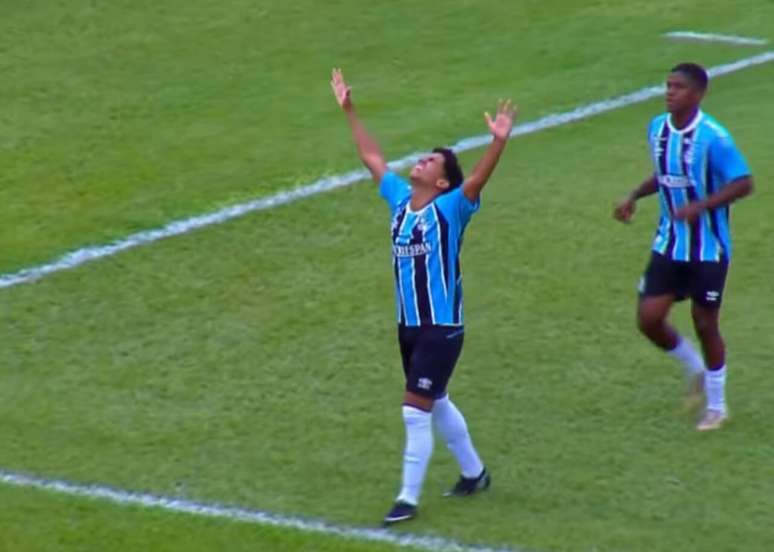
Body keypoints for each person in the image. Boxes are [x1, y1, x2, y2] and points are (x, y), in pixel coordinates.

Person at [330, 69, 516, 524]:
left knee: (415, 411)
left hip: (441, 326)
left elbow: (476, 181)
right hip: (409, 326)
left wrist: (498, 142)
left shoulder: (453, 206)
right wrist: (350, 110)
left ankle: (407, 500)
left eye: (432, 162)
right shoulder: (398, 200)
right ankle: (474, 473)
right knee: (437, 401)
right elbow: (372, 157)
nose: (422, 161)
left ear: (442, 183)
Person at [614, 62, 753, 431]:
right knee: (648, 319)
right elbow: (665, 172)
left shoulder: (714, 138)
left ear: (697, 94)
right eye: (668, 85)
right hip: (669, 244)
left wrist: (702, 205)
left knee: (705, 322)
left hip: (709, 250)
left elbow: (743, 183)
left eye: (677, 87)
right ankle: (695, 369)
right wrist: (634, 195)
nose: (669, 92)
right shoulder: (657, 129)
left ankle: (718, 406)